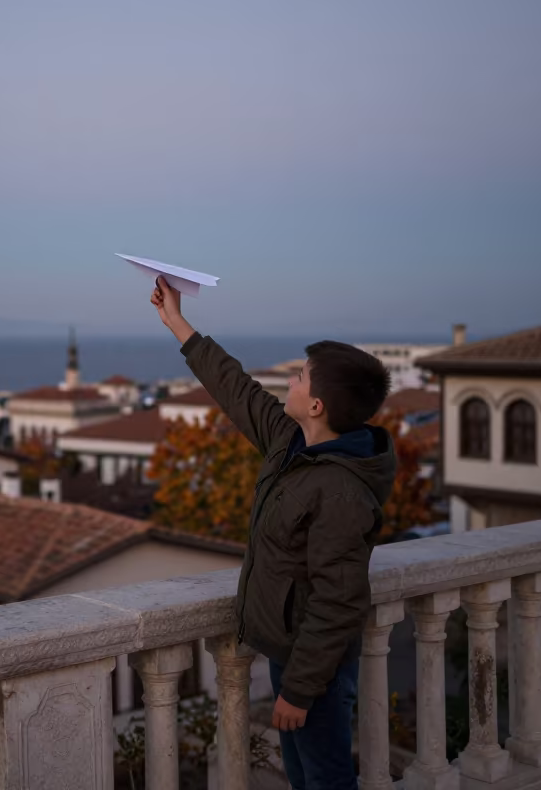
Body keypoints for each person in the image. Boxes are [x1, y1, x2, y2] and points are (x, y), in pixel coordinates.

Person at [150, 276, 394, 790]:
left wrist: (300, 691)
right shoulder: (292, 442)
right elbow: (237, 388)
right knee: (306, 777)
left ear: (317, 406)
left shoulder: (341, 492)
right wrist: (176, 322)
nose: (291, 381)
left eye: (301, 377)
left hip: (316, 673)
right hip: (292, 655)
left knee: (325, 780)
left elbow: (339, 601)